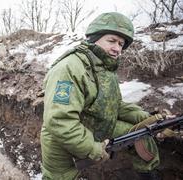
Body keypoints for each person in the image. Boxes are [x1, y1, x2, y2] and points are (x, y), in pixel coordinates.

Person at [40, 12, 161, 180]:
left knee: (141, 137)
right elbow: (60, 121)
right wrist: (93, 149)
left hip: (95, 126)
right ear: (94, 38)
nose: (117, 48)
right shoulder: (69, 67)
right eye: (111, 41)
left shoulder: (105, 67)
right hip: (61, 142)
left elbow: (115, 105)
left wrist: (149, 119)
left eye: (121, 43)